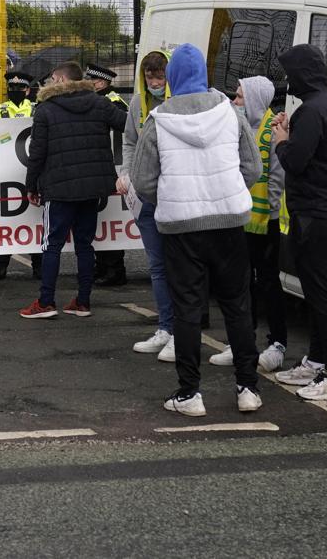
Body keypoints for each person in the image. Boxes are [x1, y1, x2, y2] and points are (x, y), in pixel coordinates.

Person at [129, 44, 262, 416]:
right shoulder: (229, 112)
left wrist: (172, 196)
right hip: (229, 219)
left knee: (187, 308)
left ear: (171, 79)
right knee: (237, 305)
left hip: (180, 226)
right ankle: (247, 387)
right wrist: (228, 189)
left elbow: (142, 179)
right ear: (204, 74)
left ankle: (190, 393)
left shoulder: (158, 119)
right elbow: (253, 169)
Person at [271, 44, 327, 401]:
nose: (287, 81)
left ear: (302, 74)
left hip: (314, 211)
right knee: (319, 290)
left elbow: (297, 160)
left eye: (290, 74)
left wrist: (281, 141)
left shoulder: (311, 110)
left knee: (320, 294)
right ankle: (318, 361)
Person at [19, 62, 126, 319]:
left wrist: (31, 185)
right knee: (85, 245)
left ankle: (46, 301)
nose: (49, 83)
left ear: (61, 79)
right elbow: (127, 124)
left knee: (51, 245)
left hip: (59, 188)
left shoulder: (46, 109)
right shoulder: (99, 104)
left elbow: (37, 153)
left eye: (53, 78)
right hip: (92, 188)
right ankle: (83, 301)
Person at [208, 76, 288, 372]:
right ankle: (242, 341)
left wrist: (272, 216)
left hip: (265, 221)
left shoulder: (272, 129)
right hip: (239, 218)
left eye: (240, 97)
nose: (234, 102)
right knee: (241, 284)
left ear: (254, 100)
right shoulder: (237, 128)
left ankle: (277, 344)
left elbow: (277, 181)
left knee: (268, 283)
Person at [119, 50, 175, 361]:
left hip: (172, 195)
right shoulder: (138, 103)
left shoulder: (176, 102)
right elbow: (129, 140)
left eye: (159, 77)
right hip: (145, 196)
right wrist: (127, 171)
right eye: (150, 77)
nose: (154, 82)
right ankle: (165, 327)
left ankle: (179, 328)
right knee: (156, 265)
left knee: (177, 264)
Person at [0, 69, 35, 280]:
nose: (15, 91)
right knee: (5, 218)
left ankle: (39, 264)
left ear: (27, 90)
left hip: (32, 168)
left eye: (20, 88)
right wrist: (12, 140)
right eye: (12, 88)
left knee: (36, 218)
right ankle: (0, 265)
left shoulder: (37, 109)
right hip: (5, 169)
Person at [85, 63, 129, 287]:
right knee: (101, 222)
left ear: (101, 82)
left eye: (90, 80)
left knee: (111, 220)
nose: (87, 83)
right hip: (102, 169)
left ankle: (114, 269)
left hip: (114, 170)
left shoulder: (113, 103)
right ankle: (102, 265)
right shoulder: (100, 101)